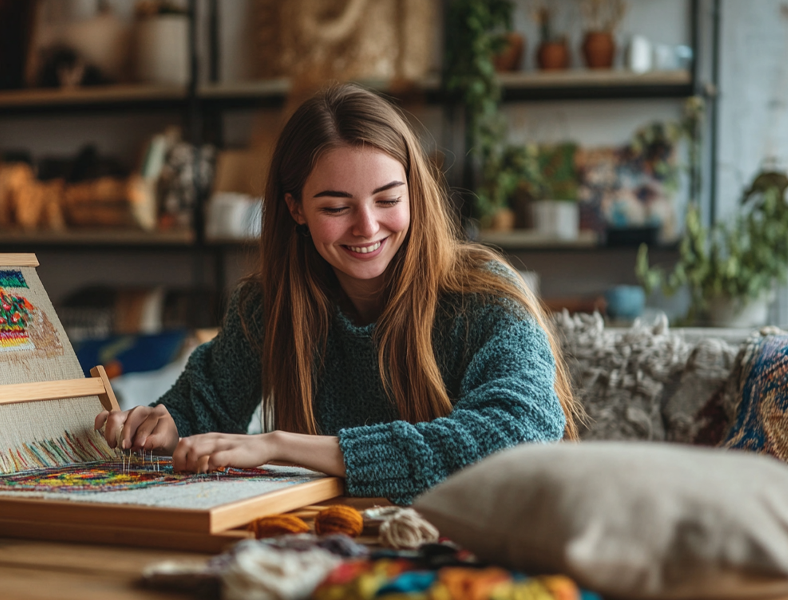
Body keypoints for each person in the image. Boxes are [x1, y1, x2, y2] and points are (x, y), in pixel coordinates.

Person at [96, 83, 581, 505]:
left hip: (483, 544)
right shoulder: (268, 305)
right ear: (296, 208)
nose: (367, 227)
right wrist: (165, 424)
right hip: (343, 540)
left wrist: (280, 445)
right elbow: (202, 406)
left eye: (388, 199)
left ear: (415, 191)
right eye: (335, 206)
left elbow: (517, 433)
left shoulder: (485, 295)